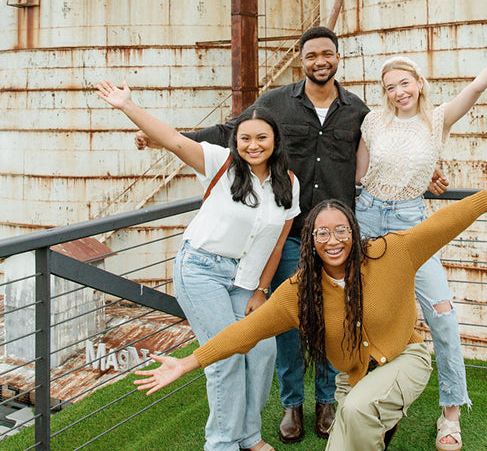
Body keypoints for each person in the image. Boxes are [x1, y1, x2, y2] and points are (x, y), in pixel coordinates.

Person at [134, 163, 487, 451]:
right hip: (355, 375)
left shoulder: (390, 252)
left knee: (358, 412)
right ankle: (379, 420)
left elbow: (441, 223)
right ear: (309, 240)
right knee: (349, 429)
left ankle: (380, 415)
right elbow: (246, 332)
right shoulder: (299, 290)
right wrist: (190, 362)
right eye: (322, 233)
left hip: (405, 358)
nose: (332, 240)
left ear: (353, 231)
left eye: (340, 230)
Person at [135, 26, 369, 442]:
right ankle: (292, 405)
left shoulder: (356, 109)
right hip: (290, 238)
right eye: (312, 54)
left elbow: (381, 150)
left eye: (327, 54)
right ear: (302, 60)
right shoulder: (277, 102)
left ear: (337, 57)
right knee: (286, 326)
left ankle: (328, 401)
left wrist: (429, 171)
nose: (320, 61)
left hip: (335, 238)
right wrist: (167, 141)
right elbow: (231, 133)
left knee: (332, 319)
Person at [354, 13, 487, 451]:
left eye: (405, 83)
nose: (398, 92)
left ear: (419, 83)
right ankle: (360, 400)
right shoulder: (372, 122)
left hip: (411, 222)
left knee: (441, 314)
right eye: (390, 87)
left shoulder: (438, 119)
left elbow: (478, 86)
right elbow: (359, 173)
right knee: (362, 310)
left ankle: (450, 413)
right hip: (365, 219)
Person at [96, 80, 300, 451]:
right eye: (245, 138)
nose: (253, 145)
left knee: (263, 350)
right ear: (235, 141)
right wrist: (127, 105)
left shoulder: (288, 182)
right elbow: (173, 139)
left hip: (245, 281)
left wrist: (261, 290)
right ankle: (221, 443)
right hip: (201, 269)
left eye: (261, 138)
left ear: (275, 140)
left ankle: (248, 435)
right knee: (224, 356)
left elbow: (278, 241)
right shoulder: (221, 163)